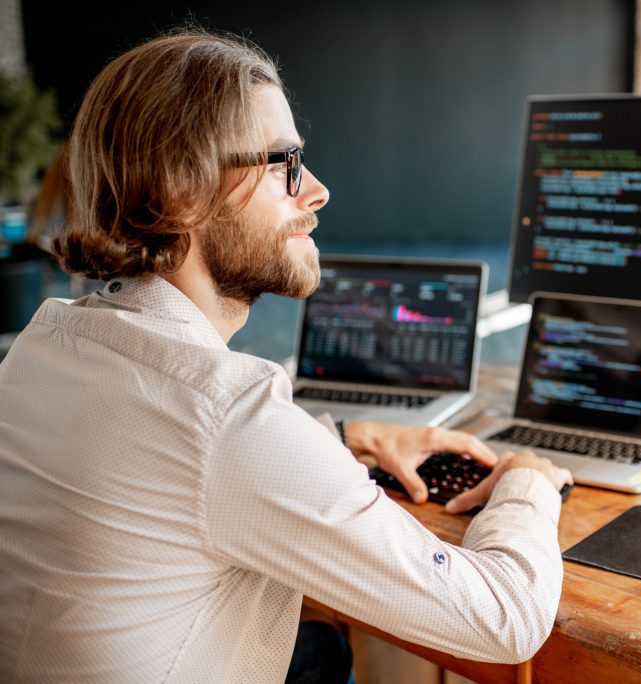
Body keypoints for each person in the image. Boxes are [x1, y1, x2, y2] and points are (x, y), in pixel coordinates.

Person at [0, 29, 571, 683]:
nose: (317, 191)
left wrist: (343, 439)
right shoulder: (226, 414)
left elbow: (166, 477)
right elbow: (502, 622)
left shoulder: (43, 345)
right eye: (286, 164)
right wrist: (527, 480)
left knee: (316, 643)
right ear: (181, 193)